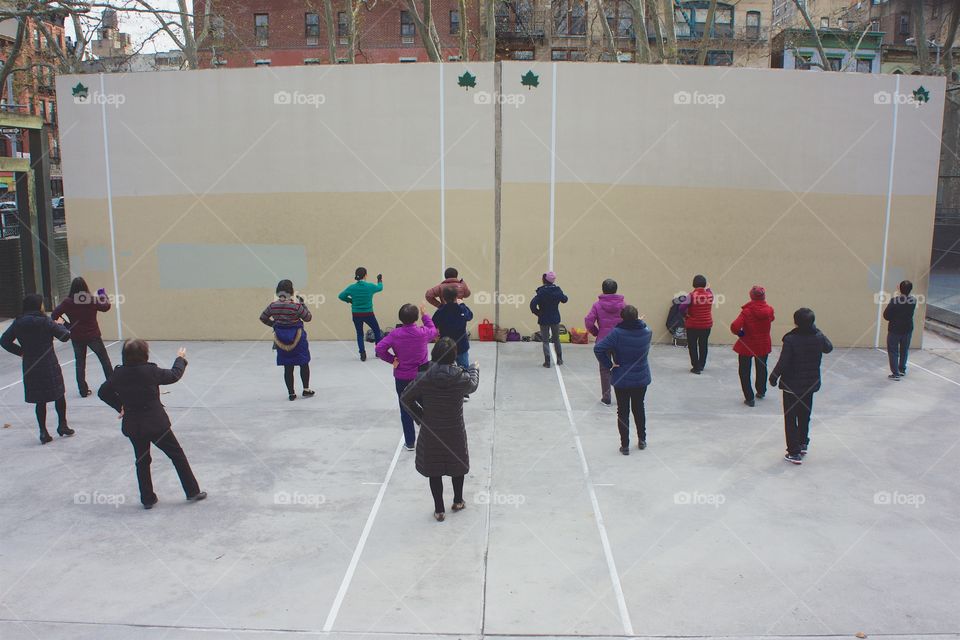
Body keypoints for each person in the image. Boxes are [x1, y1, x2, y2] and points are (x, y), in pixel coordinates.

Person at [98, 340, 206, 509]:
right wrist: (180, 358)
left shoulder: (118, 374)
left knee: (142, 460)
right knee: (176, 455)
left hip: (134, 426)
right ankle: (192, 490)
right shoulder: (151, 371)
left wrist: (120, 406)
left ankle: (147, 498)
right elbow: (174, 375)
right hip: (156, 424)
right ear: (144, 354)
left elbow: (103, 392)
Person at [401, 337, 480, 521]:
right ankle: (458, 500)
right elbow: (473, 385)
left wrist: (420, 417)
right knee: (457, 466)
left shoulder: (424, 377)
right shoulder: (461, 377)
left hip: (431, 431)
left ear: (434, 354)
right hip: (455, 430)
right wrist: (474, 369)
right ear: (453, 356)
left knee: (434, 470)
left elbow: (405, 398)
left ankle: (439, 510)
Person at [1, 294, 73, 444]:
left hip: (30, 364)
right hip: (48, 362)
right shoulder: (44, 321)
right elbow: (65, 336)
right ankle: (62, 425)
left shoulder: (18, 322)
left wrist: (21, 351)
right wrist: (60, 323)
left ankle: (43, 432)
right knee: (59, 394)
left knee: (40, 400)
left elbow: (4, 341)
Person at [769, 308, 833, 465]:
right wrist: (816, 329)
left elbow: (783, 361)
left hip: (791, 385)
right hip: (809, 386)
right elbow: (829, 347)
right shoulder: (818, 336)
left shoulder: (791, 339)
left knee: (791, 419)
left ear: (795, 322)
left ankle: (794, 452)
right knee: (805, 414)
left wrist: (774, 376)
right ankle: (803, 442)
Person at [375, 304, 437, 450]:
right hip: (421, 376)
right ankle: (432, 436)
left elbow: (379, 348)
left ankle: (410, 442)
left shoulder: (395, 334)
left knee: (406, 408)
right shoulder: (422, 332)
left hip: (402, 377)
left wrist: (392, 360)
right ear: (416, 318)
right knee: (427, 405)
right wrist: (425, 315)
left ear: (400, 318)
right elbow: (433, 331)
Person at [594, 306, 652, 455]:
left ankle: (625, 445)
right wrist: (639, 322)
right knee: (639, 408)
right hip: (641, 376)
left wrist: (609, 364)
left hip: (622, 377)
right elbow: (641, 327)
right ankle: (642, 439)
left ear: (622, 317)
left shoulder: (617, 334)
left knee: (623, 411)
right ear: (637, 317)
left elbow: (599, 349)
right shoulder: (647, 332)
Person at [52, 277, 114, 397]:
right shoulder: (91, 300)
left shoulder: (68, 302)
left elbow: (54, 315)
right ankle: (112, 385)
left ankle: (83, 390)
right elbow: (106, 307)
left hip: (77, 336)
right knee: (104, 360)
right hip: (93, 335)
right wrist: (103, 295)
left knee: (80, 363)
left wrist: (67, 324)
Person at [260, 279, 314, 401]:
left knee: (288, 367)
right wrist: (303, 304)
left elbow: (263, 318)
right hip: (298, 339)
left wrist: (274, 325)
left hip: (281, 340)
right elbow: (308, 318)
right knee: (303, 363)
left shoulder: (272, 306)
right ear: (291, 292)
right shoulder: (296, 306)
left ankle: (291, 393)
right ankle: (306, 389)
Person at [730, 285, 775, 407]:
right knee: (762, 367)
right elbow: (771, 319)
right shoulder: (769, 310)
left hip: (747, 344)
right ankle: (761, 391)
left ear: (751, 296)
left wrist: (741, 333)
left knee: (744, 371)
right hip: (763, 343)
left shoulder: (747, 312)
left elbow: (734, 326)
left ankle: (749, 398)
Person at [585, 278, 626, 405]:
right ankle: (622, 396)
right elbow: (629, 320)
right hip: (619, 340)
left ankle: (606, 397)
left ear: (603, 290)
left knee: (605, 369)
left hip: (603, 340)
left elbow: (588, 321)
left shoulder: (597, 305)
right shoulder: (623, 304)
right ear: (616, 290)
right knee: (621, 367)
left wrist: (596, 332)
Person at [338, 267, 384, 361]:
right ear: (365, 275)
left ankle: (362, 354)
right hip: (368, 314)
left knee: (359, 334)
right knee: (376, 331)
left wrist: (350, 300)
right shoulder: (370, 286)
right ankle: (378, 352)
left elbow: (341, 296)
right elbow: (380, 288)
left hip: (356, 314)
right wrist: (379, 280)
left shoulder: (352, 287)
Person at [530, 271, 569, 368]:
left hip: (543, 318)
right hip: (555, 318)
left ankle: (547, 362)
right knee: (556, 339)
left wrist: (538, 313)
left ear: (544, 280)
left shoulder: (541, 292)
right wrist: (563, 296)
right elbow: (565, 299)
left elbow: (532, 304)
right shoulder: (557, 290)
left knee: (545, 340)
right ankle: (559, 359)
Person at [432, 286, 474, 369]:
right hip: (461, 345)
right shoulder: (462, 309)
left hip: (446, 347)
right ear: (456, 297)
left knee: (444, 370)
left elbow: (433, 325)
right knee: (464, 369)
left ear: (443, 298)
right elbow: (469, 316)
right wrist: (462, 304)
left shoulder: (440, 311)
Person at [679, 275, 714, 374]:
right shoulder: (710, 295)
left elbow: (681, 307)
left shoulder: (691, 296)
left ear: (694, 284)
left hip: (693, 325)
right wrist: (709, 288)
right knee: (703, 345)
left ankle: (696, 367)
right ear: (705, 284)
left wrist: (685, 315)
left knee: (693, 346)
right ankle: (702, 364)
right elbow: (710, 292)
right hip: (706, 325)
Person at [883, 280, 917, 380]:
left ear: (899, 288)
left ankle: (895, 373)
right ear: (911, 289)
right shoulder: (914, 300)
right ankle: (902, 369)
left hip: (895, 329)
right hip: (907, 329)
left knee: (893, 351)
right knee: (904, 350)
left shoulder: (894, 300)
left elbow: (886, 315)